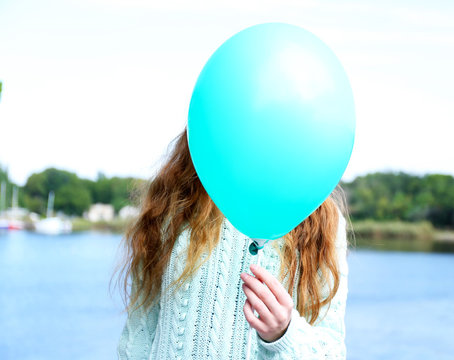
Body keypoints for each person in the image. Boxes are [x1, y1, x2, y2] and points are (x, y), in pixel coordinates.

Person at [114, 127, 350, 359]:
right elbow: (138, 339)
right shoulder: (172, 205)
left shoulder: (319, 218)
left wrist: (285, 333)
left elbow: (333, 352)